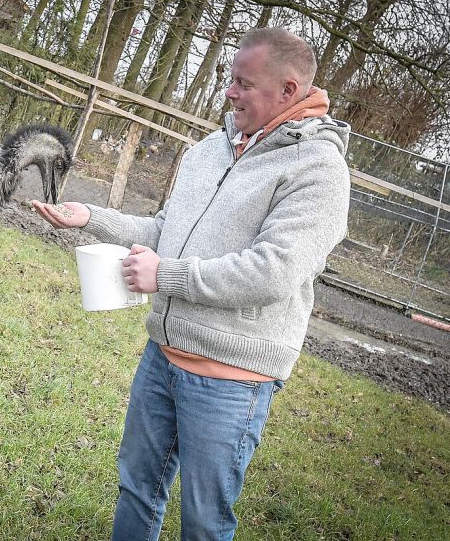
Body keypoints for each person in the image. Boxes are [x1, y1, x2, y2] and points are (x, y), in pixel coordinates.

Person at [33, 27, 351, 540]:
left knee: (203, 522)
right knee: (137, 488)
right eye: (230, 79)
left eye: (244, 83)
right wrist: (89, 216)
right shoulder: (210, 150)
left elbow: (274, 270)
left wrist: (168, 276)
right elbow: (166, 231)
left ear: (289, 90)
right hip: (163, 355)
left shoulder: (319, 170)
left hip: (232, 378)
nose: (230, 92)